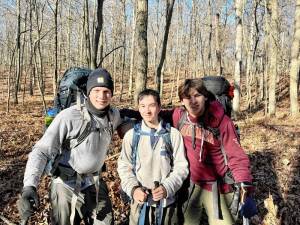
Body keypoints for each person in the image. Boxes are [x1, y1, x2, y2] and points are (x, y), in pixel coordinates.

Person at [120, 78, 255, 225]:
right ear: (182, 101)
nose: (193, 101)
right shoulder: (180, 116)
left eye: (197, 95)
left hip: (218, 186)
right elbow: (153, 113)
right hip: (191, 185)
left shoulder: (221, 121)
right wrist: (130, 114)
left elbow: (237, 156)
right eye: (187, 97)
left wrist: (245, 188)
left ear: (205, 97)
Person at [18, 68, 124, 225]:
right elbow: (41, 151)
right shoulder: (69, 116)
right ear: (88, 92)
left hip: (93, 182)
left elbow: (131, 122)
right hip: (65, 186)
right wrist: (29, 186)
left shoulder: (113, 115)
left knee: (106, 221)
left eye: (106, 91)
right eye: (97, 90)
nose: (101, 96)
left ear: (112, 93)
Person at [117, 89, 189, 225]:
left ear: (159, 107)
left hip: (167, 203)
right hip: (139, 203)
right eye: (143, 106)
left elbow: (181, 167)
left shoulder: (173, 135)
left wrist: (167, 187)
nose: (147, 111)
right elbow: (124, 166)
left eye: (152, 105)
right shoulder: (131, 136)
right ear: (138, 108)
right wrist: (133, 189)